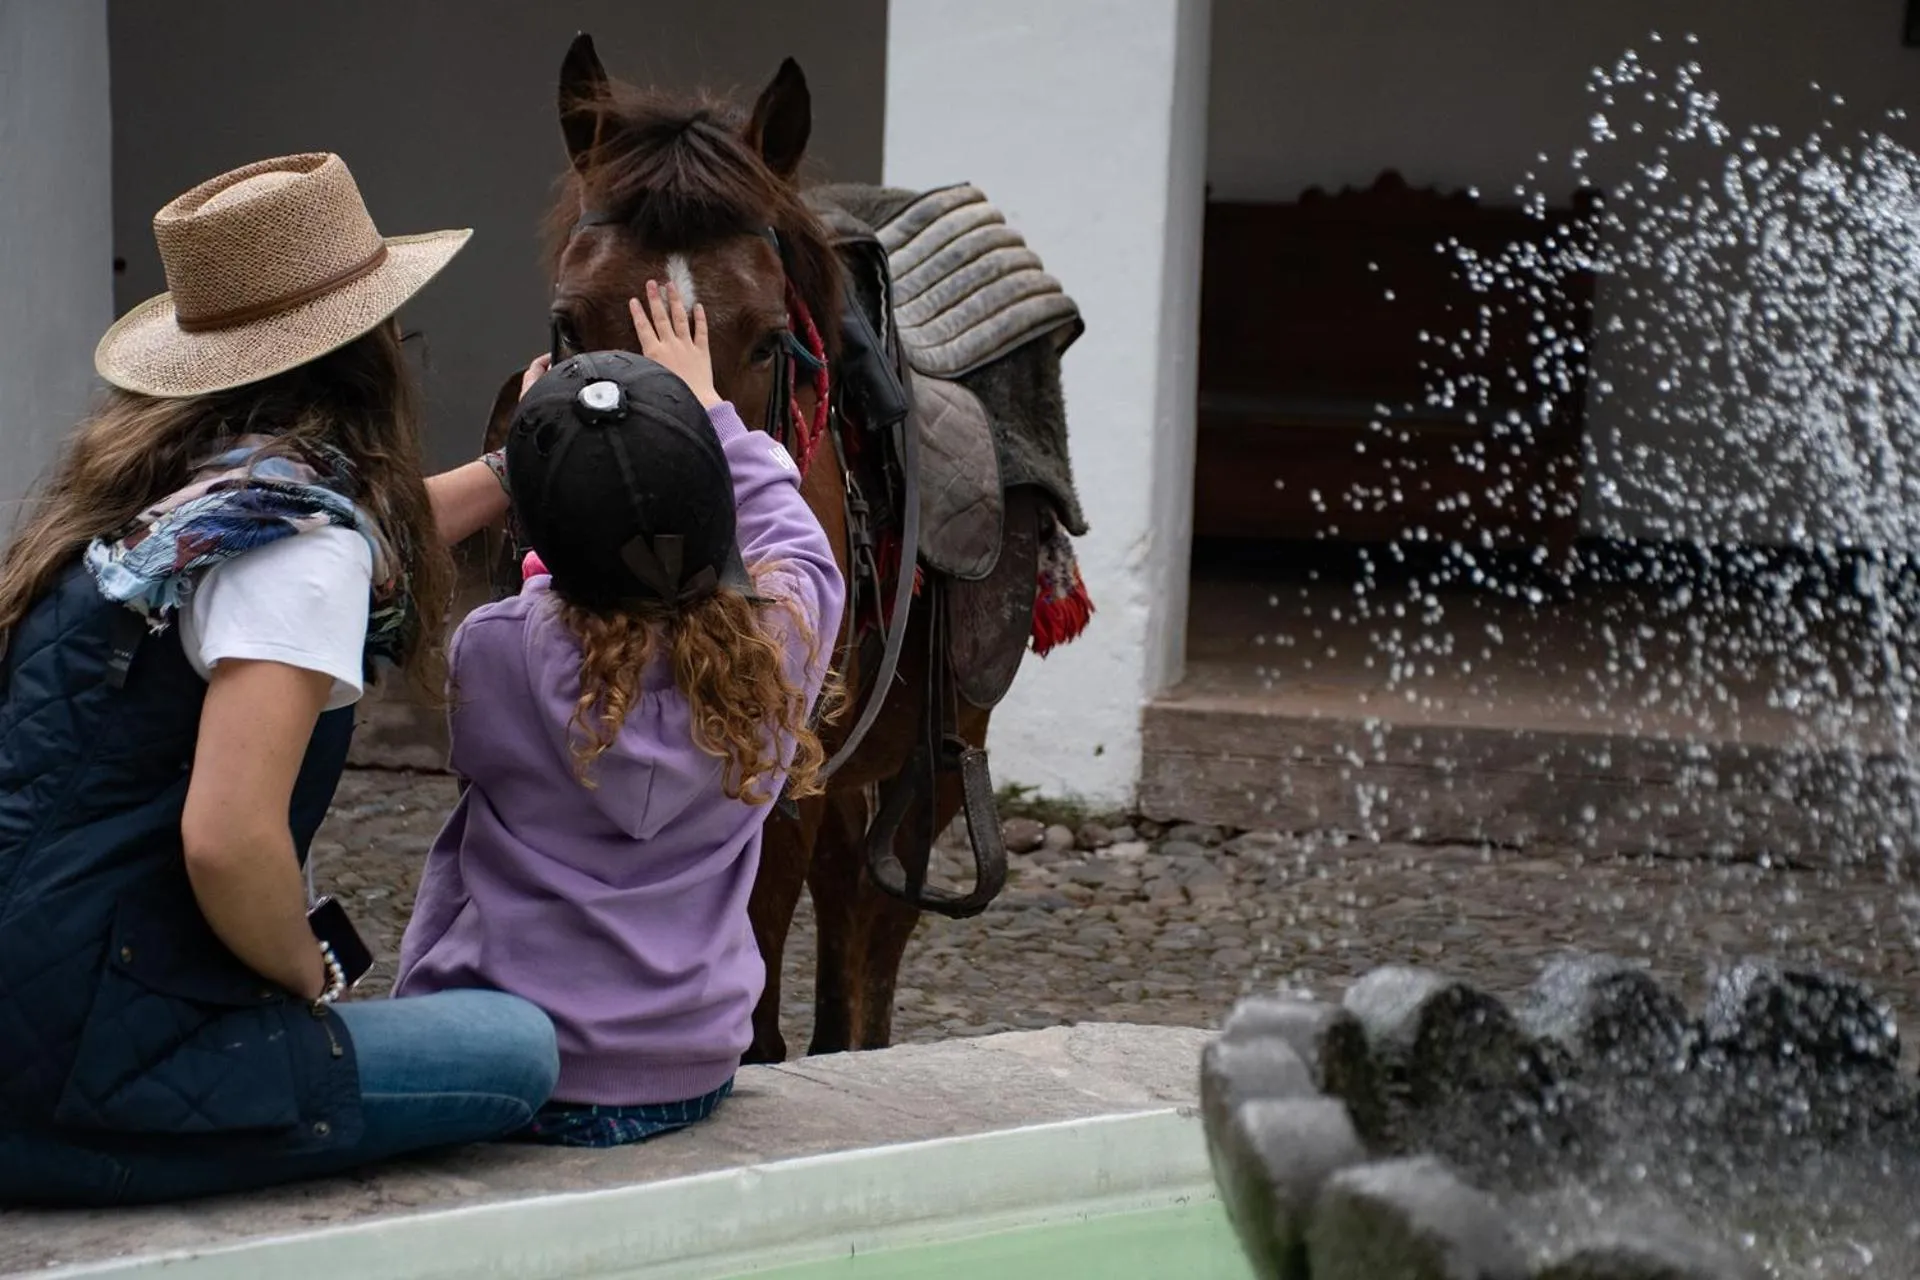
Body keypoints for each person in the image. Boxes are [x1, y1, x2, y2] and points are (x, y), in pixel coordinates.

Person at [0, 153, 560, 1206]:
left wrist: (504, 471)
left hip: (43, 1006)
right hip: (82, 1078)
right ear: (371, 349)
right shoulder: (299, 544)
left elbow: (360, 536)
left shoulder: (183, 494)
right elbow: (227, 834)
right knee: (518, 1044)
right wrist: (306, 974)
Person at [393, 281, 844, 1147]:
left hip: (514, 1060)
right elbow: (804, 550)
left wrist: (536, 454)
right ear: (714, 507)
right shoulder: (779, 645)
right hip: (690, 1066)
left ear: (539, 524)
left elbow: (550, 621)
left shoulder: (490, 651)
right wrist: (710, 407)